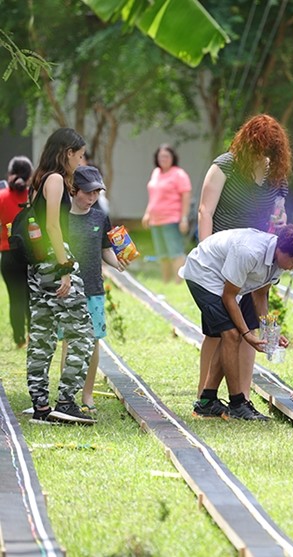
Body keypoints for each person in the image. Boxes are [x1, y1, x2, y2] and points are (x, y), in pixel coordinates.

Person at [180, 224, 293, 421]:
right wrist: (247, 334)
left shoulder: (278, 260)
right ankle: (237, 403)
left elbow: (260, 294)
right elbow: (229, 296)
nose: (292, 268)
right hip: (203, 273)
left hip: (224, 282)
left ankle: (207, 401)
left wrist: (270, 332)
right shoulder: (250, 252)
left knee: (230, 336)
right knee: (232, 335)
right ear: (282, 249)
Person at [196, 114, 292, 402]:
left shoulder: (277, 176)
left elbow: (281, 212)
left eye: (270, 151)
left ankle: (243, 396)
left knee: (250, 329)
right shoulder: (224, 165)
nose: (264, 155)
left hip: (256, 261)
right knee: (218, 331)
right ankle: (204, 395)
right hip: (221, 259)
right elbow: (205, 211)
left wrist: (281, 220)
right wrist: (204, 250)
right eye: (260, 148)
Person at [26, 128, 96, 425]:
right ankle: (67, 401)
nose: (81, 162)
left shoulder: (38, 178)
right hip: (56, 259)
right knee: (82, 333)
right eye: (79, 156)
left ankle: (41, 405)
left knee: (42, 334)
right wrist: (65, 267)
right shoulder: (55, 179)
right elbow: (54, 226)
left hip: (37, 262)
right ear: (67, 152)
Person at [60, 166, 127, 412]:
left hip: (94, 289)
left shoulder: (100, 217)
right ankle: (66, 394)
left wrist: (117, 263)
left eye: (97, 193)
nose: (92, 198)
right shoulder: (62, 218)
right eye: (88, 193)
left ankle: (87, 394)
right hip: (67, 290)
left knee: (93, 341)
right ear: (73, 190)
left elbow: (105, 248)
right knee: (69, 340)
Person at [141, 144, 191, 283]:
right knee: (162, 254)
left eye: (166, 156)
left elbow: (186, 197)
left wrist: (184, 218)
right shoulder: (156, 172)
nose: (163, 159)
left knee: (175, 252)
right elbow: (153, 196)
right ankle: (166, 281)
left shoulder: (179, 174)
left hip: (172, 219)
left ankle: (178, 281)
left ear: (173, 158)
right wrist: (147, 213)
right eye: (161, 156)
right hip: (156, 220)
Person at [0, 156, 33, 348]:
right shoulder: (34, 196)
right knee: (31, 296)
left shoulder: (2, 197)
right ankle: (32, 335)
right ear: (29, 177)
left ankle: (19, 339)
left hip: (8, 255)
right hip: (30, 255)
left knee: (15, 298)